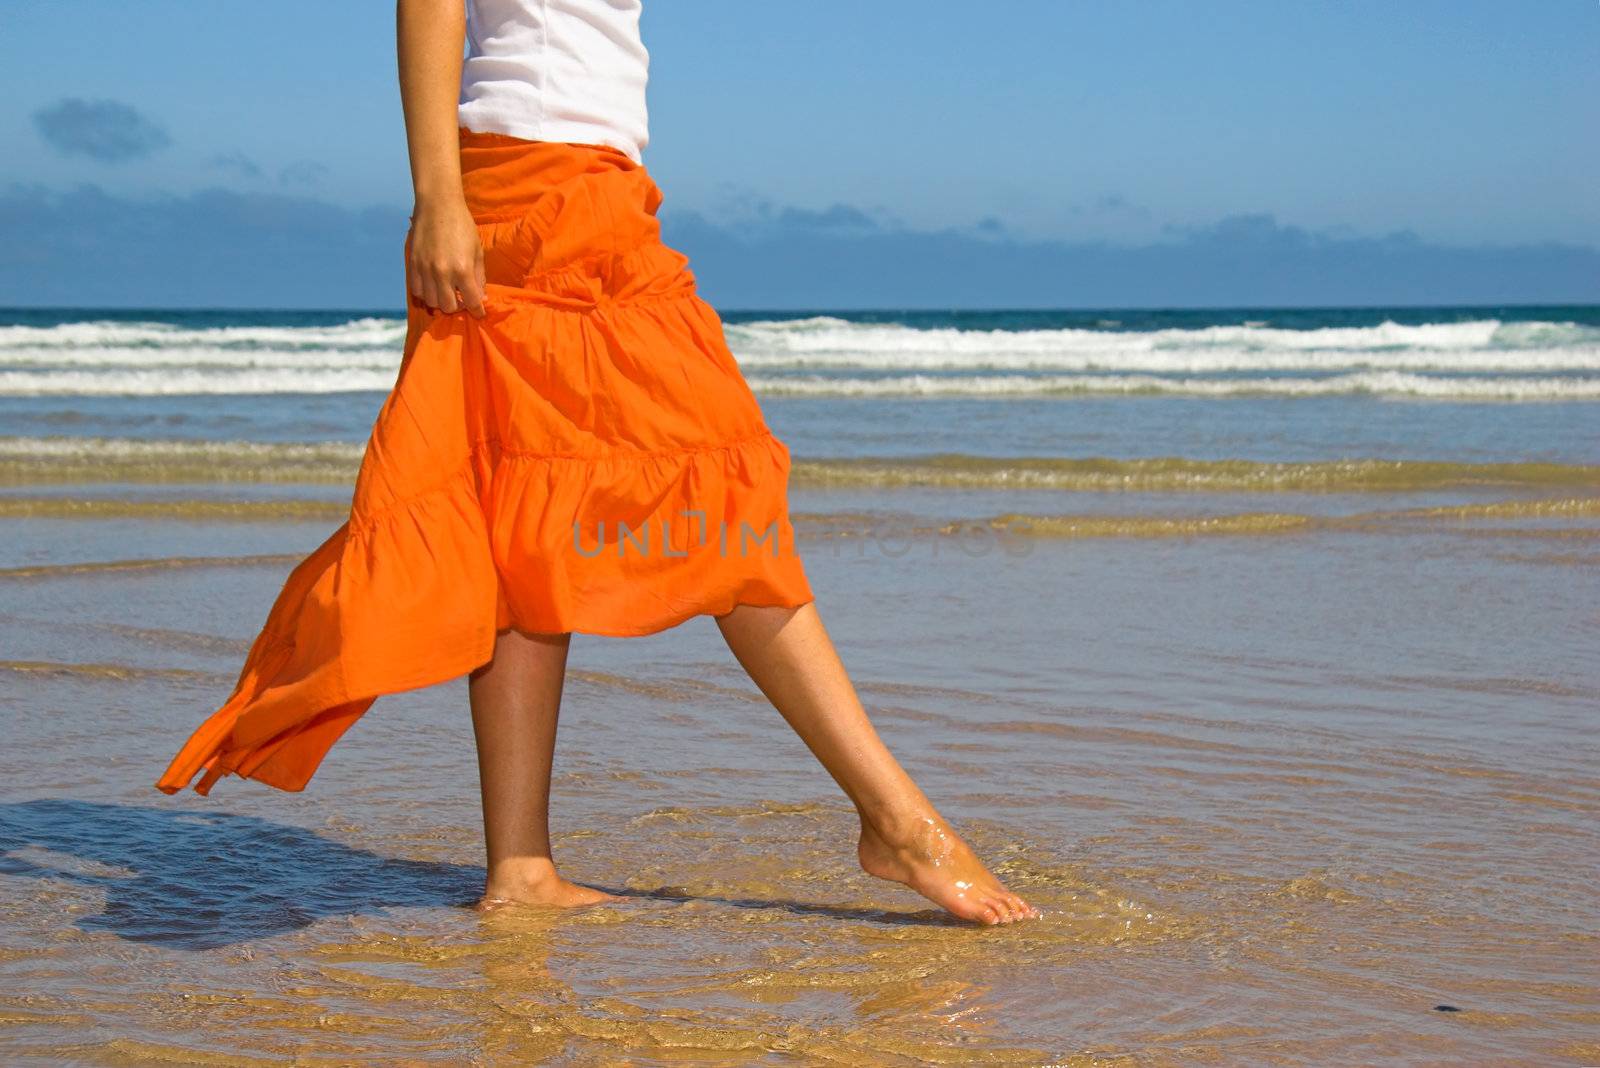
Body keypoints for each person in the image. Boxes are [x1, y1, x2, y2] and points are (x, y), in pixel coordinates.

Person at [157, 0, 1036, 927]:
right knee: (721, 498)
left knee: (524, 525)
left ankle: (522, 867)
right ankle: (893, 819)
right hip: (536, 193)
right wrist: (438, 198)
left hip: (586, 184)